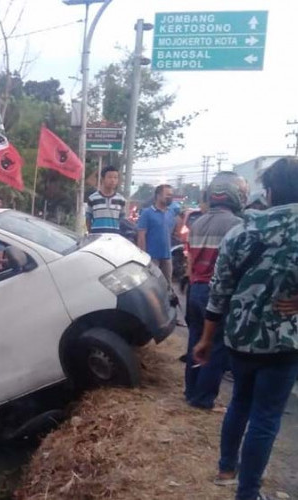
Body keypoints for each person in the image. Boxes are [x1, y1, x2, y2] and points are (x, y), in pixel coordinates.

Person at [193, 157, 298, 500]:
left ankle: (226, 468)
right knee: (266, 416)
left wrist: (207, 339)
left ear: (267, 192)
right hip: (284, 340)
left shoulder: (241, 230)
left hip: (239, 335)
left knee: (239, 401)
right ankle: (248, 493)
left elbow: (219, 290)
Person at [184, 172, 246, 410]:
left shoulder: (196, 223)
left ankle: (191, 391)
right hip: (216, 293)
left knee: (195, 341)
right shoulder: (236, 225)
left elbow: (191, 259)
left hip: (196, 289)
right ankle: (204, 398)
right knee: (215, 346)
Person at [136, 184, 176, 282]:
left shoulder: (170, 213)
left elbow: (169, 232)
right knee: (152, 284)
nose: (170, 197)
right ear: (158, 196)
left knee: (167, 284)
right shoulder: (147, 213)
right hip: (152, 257)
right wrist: (144, 257)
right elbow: (141, 236)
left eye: (171, 195)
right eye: (167, 195)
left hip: (167, 256)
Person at [86, 166, 127, 234]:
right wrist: (91, 233)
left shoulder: (121, 200)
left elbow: (122, 220)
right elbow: (88, 218)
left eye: (115, 178)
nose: (113, 180)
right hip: (97, 237)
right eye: (110, 177)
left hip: (115, 237)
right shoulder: (93, 198)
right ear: (102, 179)